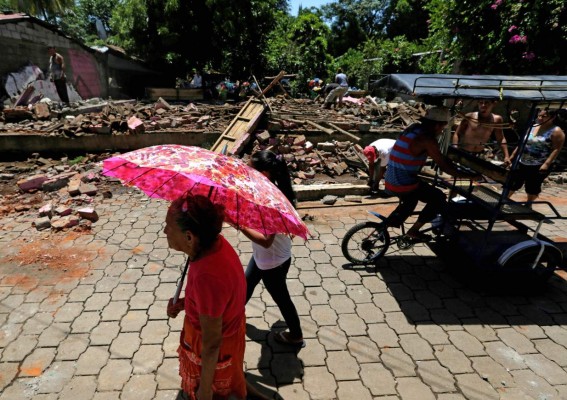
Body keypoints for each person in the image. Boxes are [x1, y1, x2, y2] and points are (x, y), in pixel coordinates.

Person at [165, 193, 248, 400]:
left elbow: (212, 343)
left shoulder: (207, 276)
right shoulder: (213, 245)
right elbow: (215, 302)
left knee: (217, 394)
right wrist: (186, 303)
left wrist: (204, 391)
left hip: (215, 346)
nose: (165, 231)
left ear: (189, 237)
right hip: (230, 329)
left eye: (168, 226)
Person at [385, 107, 480, 242]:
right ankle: (414, 231)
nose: (442, 131)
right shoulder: (427, 139)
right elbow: (445, 166)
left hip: (391, 178)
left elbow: (439, 158)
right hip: (403, 182)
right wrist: (470, 176)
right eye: (443, 128)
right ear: (436, 125)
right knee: (438, 197)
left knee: (413, 199)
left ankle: (386, 226)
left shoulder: (413, 128)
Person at [239, 150, 305, 347]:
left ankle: (296, 335)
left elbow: (266, 241)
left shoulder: (270, 199)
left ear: (265, 173)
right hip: (265, 256)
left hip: (272, 260)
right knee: (246, 285)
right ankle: (230, 319)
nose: (248, 171)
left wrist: (239, 224)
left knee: (282, 299)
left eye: (252, 168)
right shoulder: (267, 190)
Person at [508, 108, 566, 204]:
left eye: (544, 116)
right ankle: (504, 199)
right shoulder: (533, 126)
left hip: (538, 163)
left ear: (552, 117)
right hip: (522, 160)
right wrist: (513, 155)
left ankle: (529, 203)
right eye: (539, 115)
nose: (540, 118)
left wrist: (546, 164)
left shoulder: (556, 131)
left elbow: (556, 149)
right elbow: (522, 142)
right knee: (513, 182)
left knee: (532, 186)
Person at [452, 99, 510, 164]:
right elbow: (457, 134)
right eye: (480, 102)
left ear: (494, 104)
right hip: (464, 152)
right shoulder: (470, 117)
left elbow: (501, 138)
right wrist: (455, 149)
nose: (483, 105)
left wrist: (506, 156)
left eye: (486, 102)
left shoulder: (496, 120)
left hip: (479, 155)